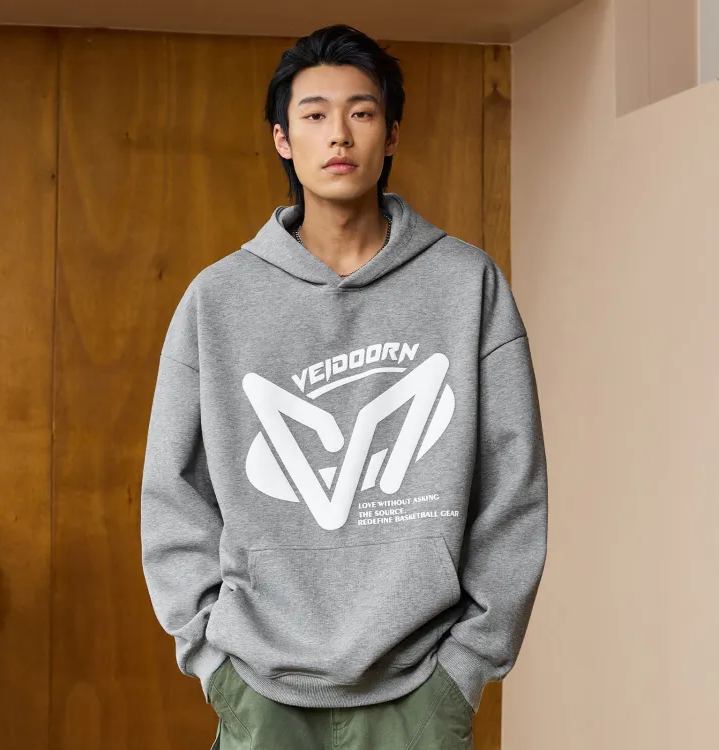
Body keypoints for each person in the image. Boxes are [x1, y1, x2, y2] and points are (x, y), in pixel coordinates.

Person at [140, 23, 548, 750]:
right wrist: (211, 660)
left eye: (361, 112)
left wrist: (467, 665)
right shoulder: (218, 300)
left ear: (390, 136)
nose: (339, 135)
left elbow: (514, 486)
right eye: (315, 114)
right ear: (282, 139)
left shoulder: (467, 286)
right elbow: (172, 493)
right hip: (260, 687)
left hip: (421, 691)